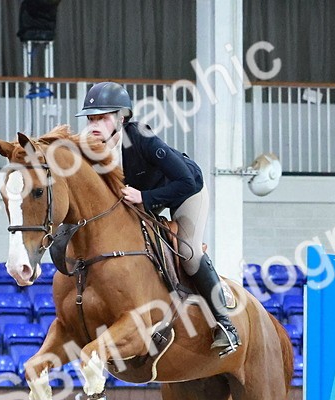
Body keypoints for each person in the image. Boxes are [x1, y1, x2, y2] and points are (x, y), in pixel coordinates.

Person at [75, 81, 240, 356]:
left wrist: (146, 198)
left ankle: (225, 325)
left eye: (102, 118)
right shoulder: (89, 147)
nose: (94, 124)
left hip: (186, 192)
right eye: (91, 118)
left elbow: (185, 181)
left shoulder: (140, 137)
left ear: (121, 117)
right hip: (142, 199)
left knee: (188, 253)